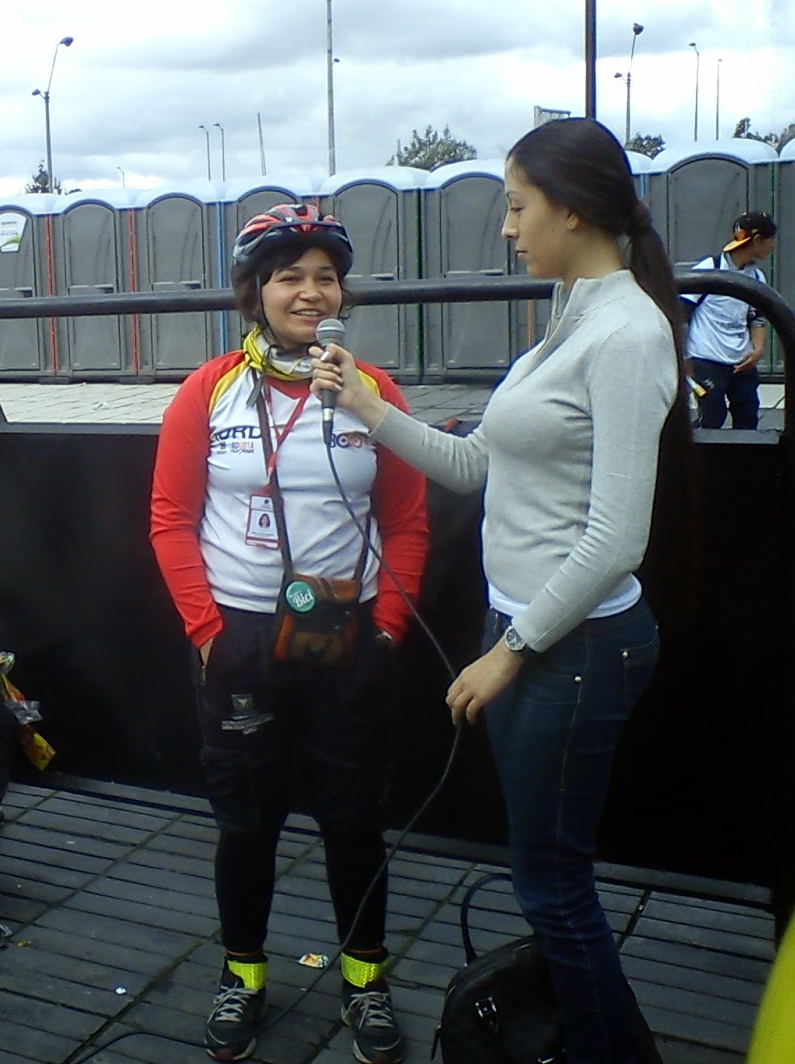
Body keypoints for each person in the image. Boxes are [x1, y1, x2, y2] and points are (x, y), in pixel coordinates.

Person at [312, 118, 686, 1064]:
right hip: (532, 637)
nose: (510, 229)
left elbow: (616, 538)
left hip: (572, 649)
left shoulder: (627, 331)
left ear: (572, 206)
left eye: (519, 208)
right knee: (546, 880)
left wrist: (510, 653)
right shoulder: (575, 313)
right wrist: (368, 407)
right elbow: (477, 465)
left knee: (553, 888)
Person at [149, 204, 429, 1063]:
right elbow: (169, 518)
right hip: (238, 636)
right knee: (247, 823)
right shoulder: (209, 389)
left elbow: (409, 520)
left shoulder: (372, 388)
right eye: (288, 276)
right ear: (255, 292)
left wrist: (388, 630)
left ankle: (364, 978)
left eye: (325, 276)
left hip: (349, 637)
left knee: (354, 822)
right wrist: (207, 633)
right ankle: (244, 974)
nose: (310, 292)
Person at [683, 210, 777, 430]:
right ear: (756, 240)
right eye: (771, 239)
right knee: (712, 418)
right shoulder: (709, 269)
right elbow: (680, 314)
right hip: (707, 359)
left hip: (741, 361)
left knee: (748, 419)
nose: (773, 245)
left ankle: (745, 464)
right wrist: (683, 358)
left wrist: (758, 349)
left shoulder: (756, 277)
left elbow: (757, 317)